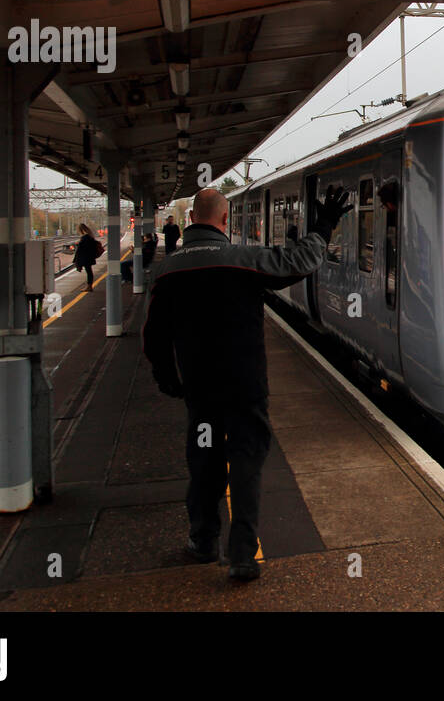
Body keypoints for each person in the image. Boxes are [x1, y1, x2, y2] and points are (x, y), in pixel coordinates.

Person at [142, 185, 352, 581]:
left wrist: (167, 376)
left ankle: (203, 541)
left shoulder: (167, 270)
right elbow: (300, 260)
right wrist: (325, 224)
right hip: (245, 386)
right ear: (225, 221)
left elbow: (152, 335)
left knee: (203, 460)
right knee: (246, 460)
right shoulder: (241, 259)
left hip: (199, 390)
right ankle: (241, 552)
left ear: (189, 221)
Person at [70, 223, 99, 291]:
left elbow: (79, 250)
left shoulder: (84, 238)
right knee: (89, 271)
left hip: (86, 258)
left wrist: (76, 261)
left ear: (81, 230)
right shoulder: (90, 236)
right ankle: (89, 286)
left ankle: (89, 287)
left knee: (89, 271)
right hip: (90, 257)